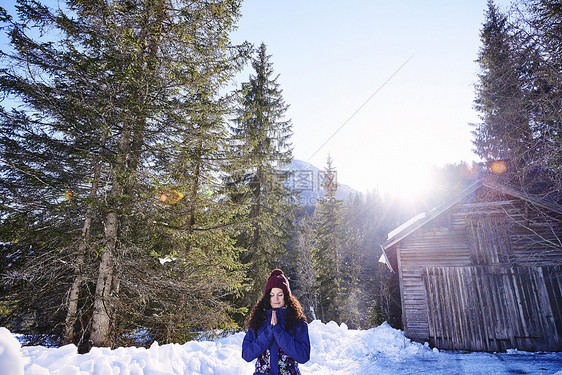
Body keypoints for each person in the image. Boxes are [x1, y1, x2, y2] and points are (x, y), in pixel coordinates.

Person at [242, 269, 310, 375]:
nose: (276, 299)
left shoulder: (297, 321)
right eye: (272, 295)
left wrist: (278, 331)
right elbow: (246, 354)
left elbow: (303, 356)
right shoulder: (258, 320)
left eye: (280, 294)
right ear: (267, 297)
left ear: (286, 296)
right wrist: (269, 332)